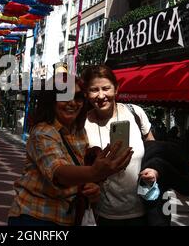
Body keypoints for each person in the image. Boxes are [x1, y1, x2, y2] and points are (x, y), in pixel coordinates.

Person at [8, 73, 133, 226]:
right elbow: (59, 172)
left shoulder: (79, 130)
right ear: (51, 100)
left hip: (69, 218)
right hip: (36, 216)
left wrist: (91, 187)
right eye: (64, 96)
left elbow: (80, 170)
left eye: (78, 97)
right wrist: (95, 172)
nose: (72, 103)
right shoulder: (42, 131)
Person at [82, 64, 157, 226]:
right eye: (94, 90)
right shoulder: (83, 125)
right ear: (86, 94)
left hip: (142, 210)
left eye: (106, 88)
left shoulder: (135, 113)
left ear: (116, 89)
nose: (101, 95)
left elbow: (153, 149)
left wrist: (153, 170)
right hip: (102, 214)